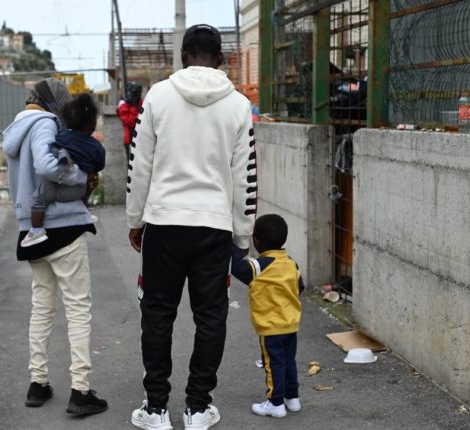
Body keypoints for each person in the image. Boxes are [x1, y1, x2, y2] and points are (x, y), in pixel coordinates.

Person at [127, 24, 257, 430]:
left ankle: (156, 409)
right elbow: (245, 177)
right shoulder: (238, 105)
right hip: (214, 227)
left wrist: (136, 221)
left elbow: (139, 166)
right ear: (220, 59)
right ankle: (199, 408)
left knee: (158, 314)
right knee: (211, 317)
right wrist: (242, 234)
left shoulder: (158, 98)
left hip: (164, 223)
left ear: (183, 55)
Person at [2, 77, 107, 417]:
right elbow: (47, 165)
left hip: (31, 230)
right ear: (54, 105)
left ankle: (38, 382)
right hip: (62, 226)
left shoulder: (16, 127)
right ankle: (80, 391)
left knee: (42, 306)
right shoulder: (45, 123)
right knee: (77, 309)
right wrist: (80, 178)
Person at [230, 214, 304, 418]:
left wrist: (229, 243)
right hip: (291, 324)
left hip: (271, 327)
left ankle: (275, 403)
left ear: (256, 240)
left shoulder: (261, 266)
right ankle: (292, 398)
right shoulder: (291, 263)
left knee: (273, 364)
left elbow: (238, 268)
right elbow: (300, 287)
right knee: (289, 361)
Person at [21, 93, 106, 247]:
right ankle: (85, 207)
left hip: (64, 189)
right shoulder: (96, 146)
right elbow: (100, 164)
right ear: (92, 123)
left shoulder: (63, 137)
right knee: (93, 181)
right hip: (82, 190)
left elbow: (50, 156)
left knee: (39, 197)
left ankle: (36, 231)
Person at [117, 82, 143, 164]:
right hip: (129, 138)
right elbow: (128, 121)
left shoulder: (140, 103)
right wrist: (135, 110)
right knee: (131, 163)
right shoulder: (124, 105)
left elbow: (145, 116)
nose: (135, 96)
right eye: (133, 94)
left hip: (141, 136)